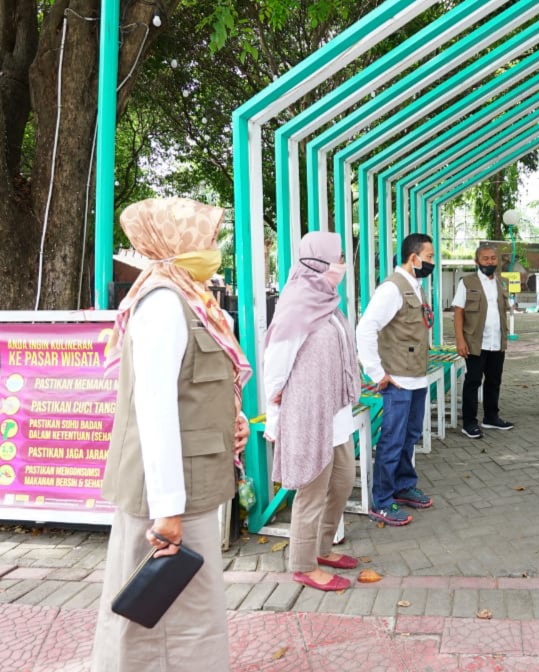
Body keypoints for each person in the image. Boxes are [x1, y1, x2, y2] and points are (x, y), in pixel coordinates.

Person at [93, 197, 252, 671]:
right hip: (170, 495)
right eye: (202, 238)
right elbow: (155, 411)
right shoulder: (163, 304)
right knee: (163, 620)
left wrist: (231, 419)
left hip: (189, 483)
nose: (211, 247)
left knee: (186, 612)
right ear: (173, 242)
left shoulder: (189, 298)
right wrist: (166, 513)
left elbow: (193, 390)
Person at [263, 232, 360, 591]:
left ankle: (323, 546)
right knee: (312, 489)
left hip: (334, 410)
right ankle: (303, 562)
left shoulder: (328, 300)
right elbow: (275, 363)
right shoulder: (297, 302)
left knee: (343, 479)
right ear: (319, 262)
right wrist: (274, 418)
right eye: (337, 258)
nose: (341, 266)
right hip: (307, 411)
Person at [356, 233, 436, 526]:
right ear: (413, 258)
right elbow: (365, 329)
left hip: (416, 378)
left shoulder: (415, 286)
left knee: (410, 436)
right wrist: (377, 373)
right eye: (429, 257)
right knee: (392, 441)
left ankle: (403, 485)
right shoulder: (392, 288)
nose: (432, 263)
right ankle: (383, 500)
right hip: (398, 380)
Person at [452, 243, 514, 438]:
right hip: (475, 342)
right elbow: (458, 312)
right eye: (485, 258)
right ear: (477, 261)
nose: (490, 262)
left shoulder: (500, 282)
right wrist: (460, 340)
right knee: (473, 382)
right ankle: (469, 423)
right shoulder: (467, 282)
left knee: (494, 380)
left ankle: (491, 417)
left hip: (497, 341)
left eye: (493, 258)